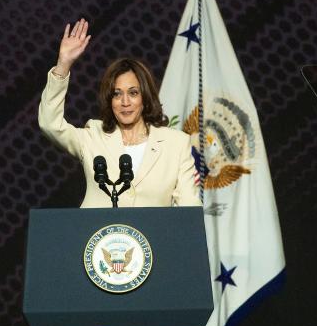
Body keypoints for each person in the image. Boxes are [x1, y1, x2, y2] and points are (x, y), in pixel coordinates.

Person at [38, 18, 201, 208]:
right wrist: (63, 64)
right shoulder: (93, 136)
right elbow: (50, 124)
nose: (125, 102)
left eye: (133, 93)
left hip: (152, 238)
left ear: (145, 97)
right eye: (117, 94)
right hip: (97, 236)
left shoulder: (176, 143)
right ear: (110, 99)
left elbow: (189, 208)